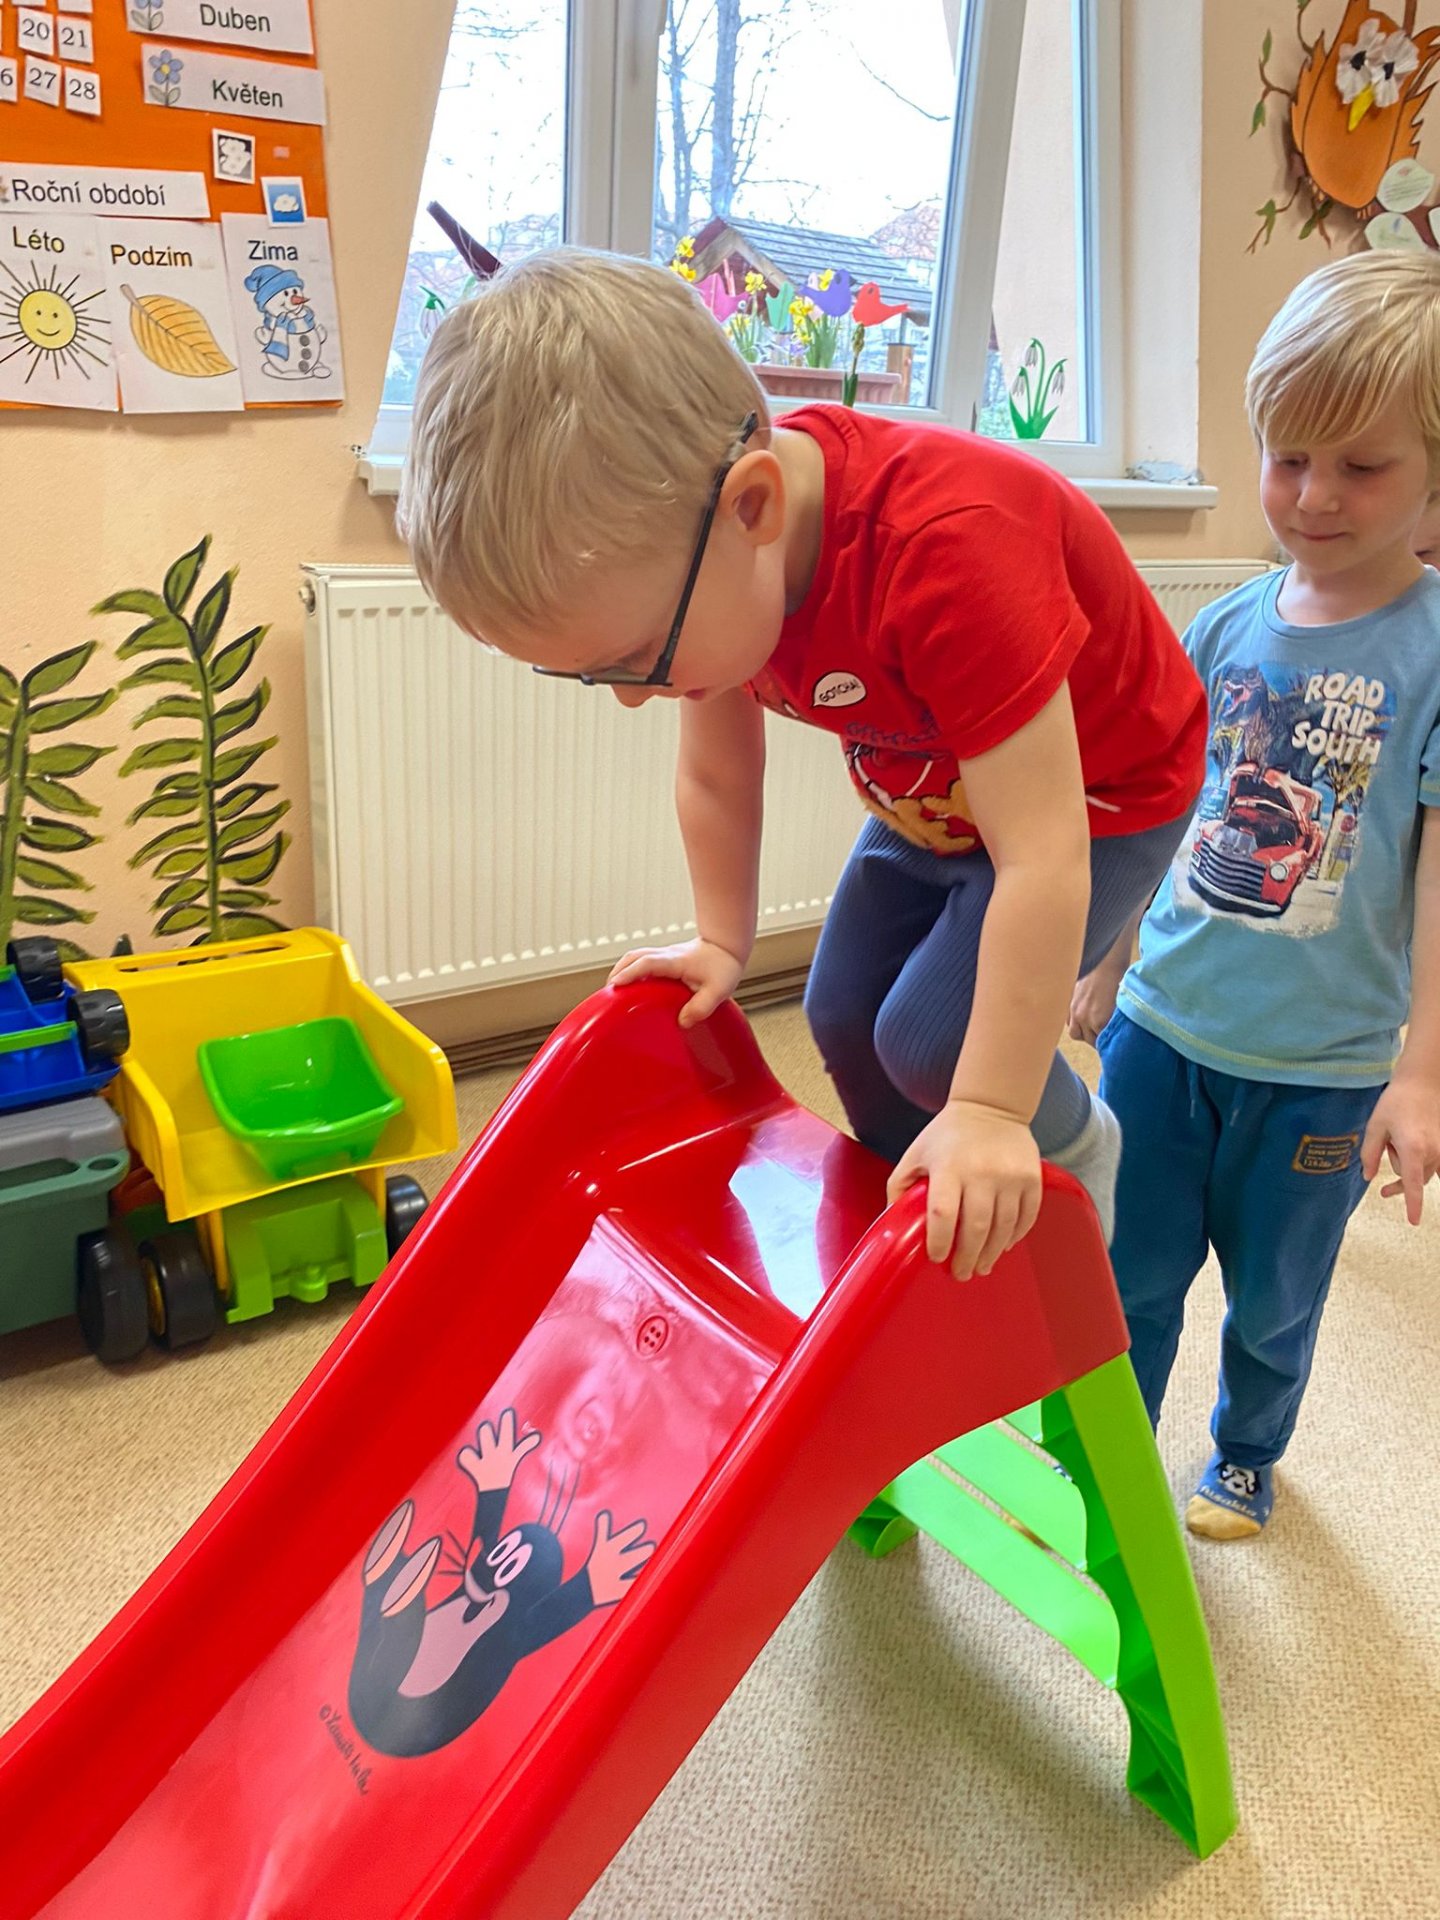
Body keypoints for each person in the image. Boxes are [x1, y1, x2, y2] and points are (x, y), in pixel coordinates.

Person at [400, 247, 1205, 1280]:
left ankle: (1071, 1154)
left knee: (932, 1044)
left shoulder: (950, 550)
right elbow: (718, 775)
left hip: (1096, 793)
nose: (637, 696)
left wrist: (993, 1109)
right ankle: (923, 1210)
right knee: (839, 1012)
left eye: (637, 660)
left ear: (754, 508)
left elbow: (1041, 857)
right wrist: (720, 940)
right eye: (598, 676)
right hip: (935, 785)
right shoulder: (712, 552)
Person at [1069, 251, 1440, 1539]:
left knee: (1278, 1295)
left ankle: (1244, 1452)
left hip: (1322, 1068)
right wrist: (1108, 957)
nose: (1315, 495)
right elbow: (1157, 809)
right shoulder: (1223, 630)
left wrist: (1423, 1072)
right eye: (1289, 458)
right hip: (1163, 1029)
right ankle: (1110, 1464)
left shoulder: (1433, 651)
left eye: (1363, 466)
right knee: (1127, 1273)